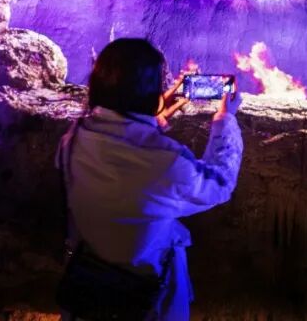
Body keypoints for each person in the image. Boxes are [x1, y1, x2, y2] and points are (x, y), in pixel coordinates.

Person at [55, 38, 243, 320]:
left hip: (87, 295)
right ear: (151, 93)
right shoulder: (167, 162)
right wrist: (225, 118)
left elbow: (122, 144)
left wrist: (154, 115)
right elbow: (219, 183)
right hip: (146, 304)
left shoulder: (72, 139)